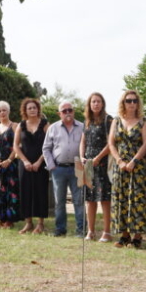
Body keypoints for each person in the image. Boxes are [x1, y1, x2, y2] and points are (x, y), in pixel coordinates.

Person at [108, 90, 146, 248]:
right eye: (128, 100)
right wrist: (118, 161)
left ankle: (137, 236)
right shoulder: (116, 121)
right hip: (120, 167)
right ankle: (124, 235)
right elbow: (111, 143)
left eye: (134, 101)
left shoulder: (143, 122)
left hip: (137, 168)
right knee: (121, 199)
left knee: (137, 199)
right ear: (123, 102)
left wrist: (134, 161)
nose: (132, 103)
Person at [43, 101, 85, 237]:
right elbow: (46, 148)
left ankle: (81, 230)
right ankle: (60, 229)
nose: (68, 112)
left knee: (79, 200)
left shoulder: (82, 127)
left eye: (70, 110)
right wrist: (51, 166)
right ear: (59, 113)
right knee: (59, 201)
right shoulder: (53, 128)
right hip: (58, 169)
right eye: (64, 110)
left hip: (77, 168)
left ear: (73, 111)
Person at [79, 93, 113, 242]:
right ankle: (91, 231)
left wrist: (98, 158)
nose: (96, 104)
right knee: (89, 199)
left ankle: (106, 232)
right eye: (93, 102)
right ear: (89, 104)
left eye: (98, 101)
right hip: (87, 164)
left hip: (103, 163)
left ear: (103, 103)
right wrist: (81, 156)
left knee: (105, 199)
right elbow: (83, 141)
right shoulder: (87, 121)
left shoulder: (108, 120)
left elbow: (111, 143)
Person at [14, 98, 49, 234]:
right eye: (30, 108)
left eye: (34, 107)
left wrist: (39, 161)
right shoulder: (21, 125)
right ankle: (28, 223)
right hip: (25, 164)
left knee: (41, 192)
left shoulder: (45, 124)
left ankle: (40, 224)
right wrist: (25, 161)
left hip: (41, 163)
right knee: (25, 192)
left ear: (38, 109)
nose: (33, 110)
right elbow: (16, 146)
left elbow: (49, 145)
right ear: (25, 111)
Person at [0, 101, 21, 229]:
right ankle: (0, 219)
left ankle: (9, 220)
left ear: (8, 111)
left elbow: (17, 145)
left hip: (10, 165)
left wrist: (9, 160)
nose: (2, 113)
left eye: (4, 110)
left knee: (10, 191)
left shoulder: (15, 126)